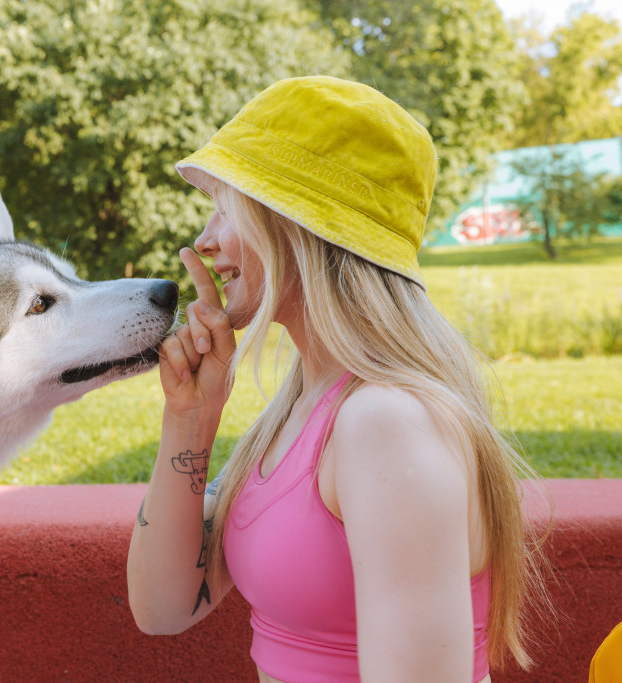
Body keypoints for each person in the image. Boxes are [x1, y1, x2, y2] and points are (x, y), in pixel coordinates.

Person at [127, 76, 547, 683]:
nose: (206, 240)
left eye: (226, 207)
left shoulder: (387, 422)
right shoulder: (303, 405)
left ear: (295, 224)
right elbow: (162, 608)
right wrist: (190, 419)